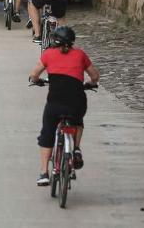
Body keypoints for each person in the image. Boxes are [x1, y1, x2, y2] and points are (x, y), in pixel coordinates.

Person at [29, 26, 99, 186]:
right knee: (78, 121)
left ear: (55, 41)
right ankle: (76, 149)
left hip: (55, 102)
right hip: (76, 101)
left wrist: (35, 80)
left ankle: (44, 172)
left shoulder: (48, 54)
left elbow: (34, 74)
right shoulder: (80, 54)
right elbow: (94, 75)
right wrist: (91, 83)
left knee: (47, 132)